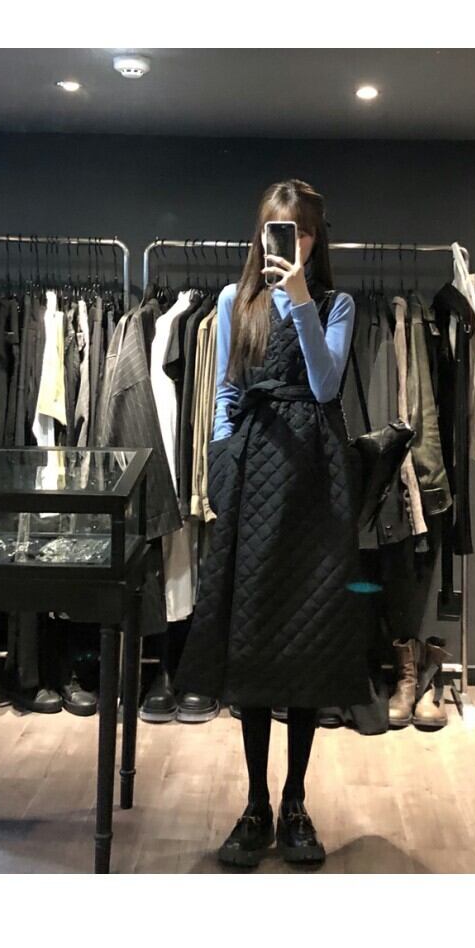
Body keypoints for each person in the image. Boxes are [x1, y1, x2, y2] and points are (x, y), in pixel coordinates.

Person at [175, 178, 369, 870]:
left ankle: (295, 802)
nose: (288, 243)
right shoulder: (236, 301)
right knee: (254, 639)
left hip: (315, 480)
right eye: (277, 231)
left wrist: (303, 300)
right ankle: (255, 802)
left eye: (301, 232)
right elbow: (228, 391)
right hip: (254, 472)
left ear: (316, 239)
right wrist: (223, 468)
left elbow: (324, 386)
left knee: (309, 640)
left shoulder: (336, 304)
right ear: (260, 235)